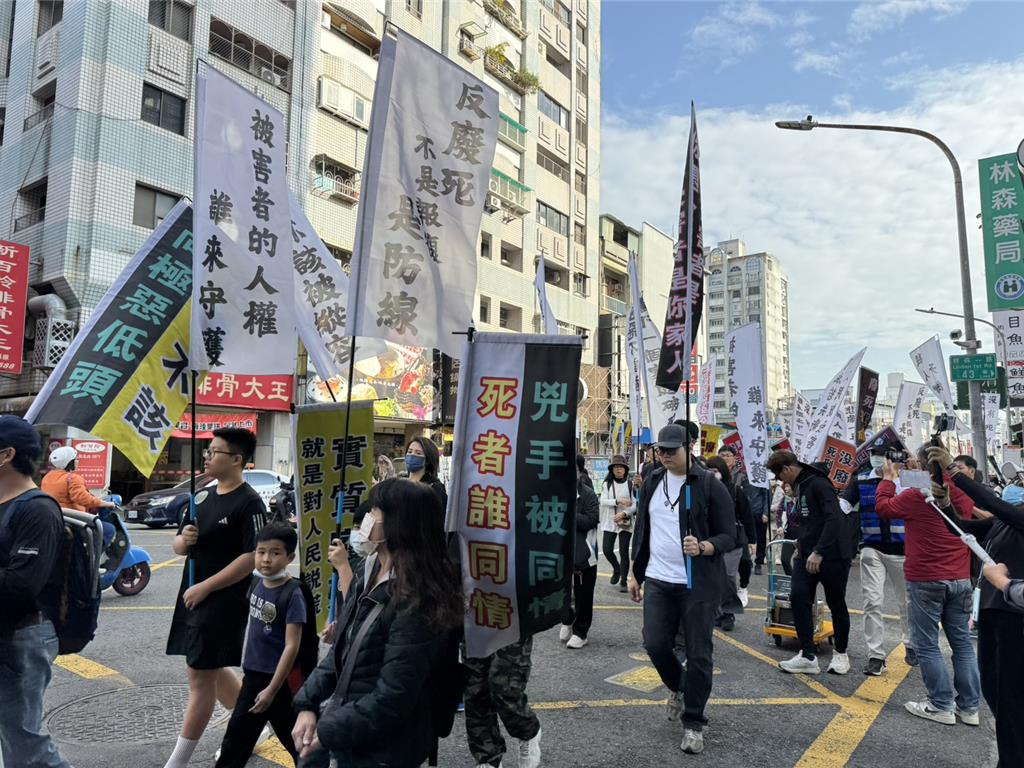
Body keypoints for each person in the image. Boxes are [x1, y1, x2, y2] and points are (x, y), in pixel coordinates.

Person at [293, 479, 465, 768]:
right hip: (347, 721)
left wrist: (327, 730)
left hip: (383, 748)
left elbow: (393, 696)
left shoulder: (418, 596)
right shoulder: (368, 569)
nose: (366, 519)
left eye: (375, 510)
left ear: (399, 523)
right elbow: (341, 653)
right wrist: (307, 704)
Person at [628, 424, 735, 756]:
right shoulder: (653, 482)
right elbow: (642, 529)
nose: (664, 456)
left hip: (696, 582)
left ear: (689, 448)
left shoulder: (707, 485)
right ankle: (679, 687)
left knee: (699, 653)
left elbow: (730, 536)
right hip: (659, 578)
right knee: (656, 644)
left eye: (671, 450)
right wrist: (635, 570)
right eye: (660, 450)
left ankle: (693, 721)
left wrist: (704, 546)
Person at [164, 428, 266, 768]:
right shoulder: (202, 496)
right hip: (192, 594)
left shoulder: (249, 501)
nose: (207, 457)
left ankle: (177, 761)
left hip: (222, 599)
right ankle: (251, 726)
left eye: (215, 452)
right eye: (207, 451)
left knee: (200, 674)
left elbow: (252, 556)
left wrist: (207, 587)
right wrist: (185, 540)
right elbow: (178, 545)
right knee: (208, 665)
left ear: (236, 459)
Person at [925, 444, 1024, 762]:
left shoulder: (1016, 518)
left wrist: (955, 474)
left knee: (1011, 700)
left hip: (1015, 617)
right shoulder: (1004, 523)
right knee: (994, 693)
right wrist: (942, 502)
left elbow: (992, 502)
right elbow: (962, 528)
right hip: (992, 613)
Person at [874, 447, 981, 727]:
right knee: (962, 645)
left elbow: (883, 508)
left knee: (928, 644)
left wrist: (888, 478)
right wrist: (917, 468)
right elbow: (940, 482)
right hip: (960, 579)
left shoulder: (916, 496)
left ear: (924, 465)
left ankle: (940, 704)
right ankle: (969, 708)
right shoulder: (963, 492)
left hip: (925, 578)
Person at [0, 416, 71, 768]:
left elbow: (19, 588)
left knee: (24, 746)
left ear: (6, 455)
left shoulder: (38, 510)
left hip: (20, 637)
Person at [214, 522, 306, 767]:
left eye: (275, 553)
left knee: (293, 739)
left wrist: (272, 690)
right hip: (253, 675)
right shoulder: (256, 583)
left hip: (277, 681)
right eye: (261, 551)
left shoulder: (292, 593)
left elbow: (291, 646)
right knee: (239, 738)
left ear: (290, 558)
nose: (266, 559)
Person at [766, 450, 853, 676]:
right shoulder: (802, 485)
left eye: (779, 475)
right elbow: (810, 521)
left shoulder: (818, 484)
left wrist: (819, 551)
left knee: (836, 603)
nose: (780, 481)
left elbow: (833, 518)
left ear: (787, 469)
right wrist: (802, 544)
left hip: (832, 555)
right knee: (798, 597)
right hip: (807, 553)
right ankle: (807, 656)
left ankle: (841, 654)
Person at [842, 447, 914, 675]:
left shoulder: (909, 478)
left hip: (903, 550)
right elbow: (843, 506)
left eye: (885, 455)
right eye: (875, 453)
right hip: (871, 548)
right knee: (872, 601)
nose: (880, 459)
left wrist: (914, 468)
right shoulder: (860, 479)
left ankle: (911, 643)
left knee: (907, 601)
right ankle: (876, 655)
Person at [706, 456, 754, 630]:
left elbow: (747, 515)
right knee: (713, 579)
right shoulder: (703, 489)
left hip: (732, 542)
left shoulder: (735, 490)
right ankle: (718, 613)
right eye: (709, 471)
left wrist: (752, 540)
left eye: (715, 471)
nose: (712, 474)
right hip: (710, 541)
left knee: (727, 576)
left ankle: (729, 613)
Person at [42, 444, 117, 547]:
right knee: (108, 530)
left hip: (58, 518)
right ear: (69, 461)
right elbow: (82, 498)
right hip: (75, 520)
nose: (78, 461)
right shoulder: (72, 478)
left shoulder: (47, 477)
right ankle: (91, 560)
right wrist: (104, 503)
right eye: (76, 459)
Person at [559, 472, 601, 649]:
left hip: (585, 554)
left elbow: (591, 520)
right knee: (561, 591)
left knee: (584, 594)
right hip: (561, 552)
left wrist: (570, 514)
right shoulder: (556, 491)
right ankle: (567, 619)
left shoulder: (588, 494)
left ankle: (581, 632)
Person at [718, 445, 768, 574]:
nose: (725, 458)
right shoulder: (712, 474)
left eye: (728, 455)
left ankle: (754, 568)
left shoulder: (744, 475)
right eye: (722, 456)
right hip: (723, 519)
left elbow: (759, 495)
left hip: (745, 517)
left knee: (749, 552)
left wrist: (765, 511)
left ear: (735, 458)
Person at [599, 454, 635, 592]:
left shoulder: (630, 484)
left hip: (625, 522)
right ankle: (616, 568)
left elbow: (635, 504)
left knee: (624, 552)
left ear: (625, 469)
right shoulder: (607, 484)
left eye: (621, 467)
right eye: (616, 467)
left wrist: (624, 513)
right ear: (612, 470)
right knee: (607, 550)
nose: (619, 469)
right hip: (610, 521)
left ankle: (623, 581)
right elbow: (602, 501)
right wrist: (617, 501)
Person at [405, 435, 447, 512]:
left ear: (428, 460)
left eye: (418, 453)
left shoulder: (435, 488)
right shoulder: (401, 483)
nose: (412, 455)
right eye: (409, 451)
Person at [771, 482, 799, 575]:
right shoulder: (785, 499)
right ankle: (791, 578)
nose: (786, 489)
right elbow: (778, 513)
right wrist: (779, 526)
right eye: (785, 486)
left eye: (788, 486)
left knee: (802, 561)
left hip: (803, 534)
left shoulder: (803, 499)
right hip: (789, 533)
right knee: (785, 560)